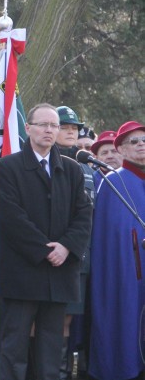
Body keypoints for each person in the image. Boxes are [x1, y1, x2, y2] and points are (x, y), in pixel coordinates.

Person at [0, 103, 92, 380]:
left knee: (50, 352)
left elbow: (84, 214)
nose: (50, 130)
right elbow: (11, 217)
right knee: (14, 350)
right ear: (28, 128)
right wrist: (44, 250)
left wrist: (66, 247)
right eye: (44, 125)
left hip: (60, 274)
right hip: (23, 273)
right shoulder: (8, 167)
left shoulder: (72, 170)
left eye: (54, 126)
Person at [88, 120, 145, 380]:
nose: (141, 145)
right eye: (133, 142)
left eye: (144, 140)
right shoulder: (114, 183)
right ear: (120, 150)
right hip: (127, 275)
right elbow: (110, 240)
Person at [54, 105, 95, 380]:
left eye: (74, 128)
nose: (71, 132)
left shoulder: (86, 167)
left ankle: (63, 373)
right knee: (44, 321)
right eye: (65, 127)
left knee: (67, 320)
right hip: (51, 254)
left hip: (79, 257)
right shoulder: (44, 161)